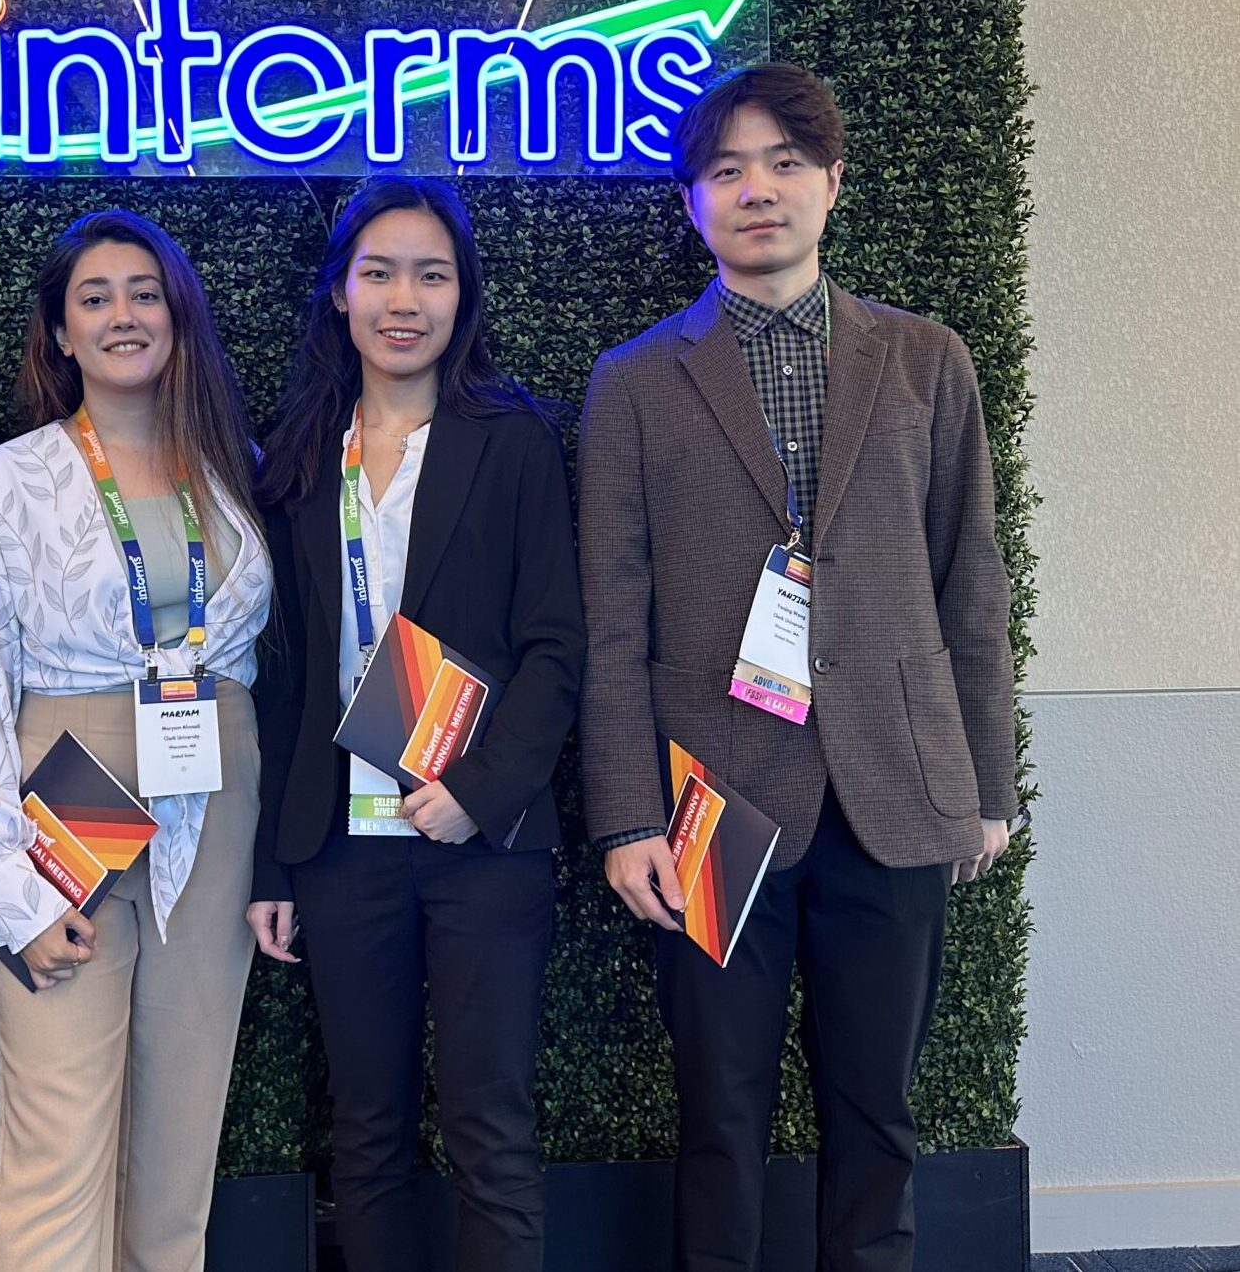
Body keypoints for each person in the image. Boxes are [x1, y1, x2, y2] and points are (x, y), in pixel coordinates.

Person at [575, 62, 1018, 1272]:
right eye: (724, 170)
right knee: (717, 1118)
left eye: (781, 163)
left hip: (896, 786)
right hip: (711, 800)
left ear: (830, 182)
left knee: (875, 1115)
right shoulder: (632, 380)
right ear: (691, 201)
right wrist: (627, 815)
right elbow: (610, 618)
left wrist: (987, 784)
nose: (754, 189)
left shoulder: (926, 360)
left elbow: (969, 581)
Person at [0, 209, 272, 1272]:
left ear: (178, 316)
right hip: (63, 811)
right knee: (58, 1142)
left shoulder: (237, 468)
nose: (123, 314)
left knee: (178, 1150)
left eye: (143, 293)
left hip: (215, 808)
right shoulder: (7, 480)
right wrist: (5, 889)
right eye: (94, 297)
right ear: (60, 332)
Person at [248, 176, 586, 1272]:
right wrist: (274, 862)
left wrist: (476, 791)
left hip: (481, 840)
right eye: (379, 272)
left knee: (491, 1126)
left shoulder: (513, 439)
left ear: (462, 295)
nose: (404, 299)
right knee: (367, 1133)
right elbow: (284, 674)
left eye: (431, 275)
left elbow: (555, 645)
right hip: (340, 847)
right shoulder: (299, 453)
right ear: (338, 292)